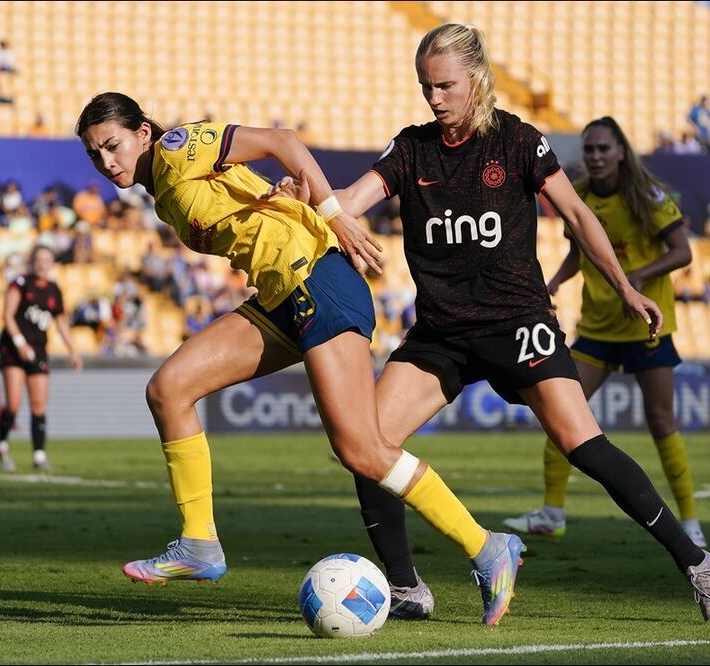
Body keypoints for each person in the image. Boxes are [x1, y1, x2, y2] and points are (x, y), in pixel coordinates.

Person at [320, 24, 710, 625]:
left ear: (476, 80)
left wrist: (624, 286)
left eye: (445, 86)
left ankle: (698, 563)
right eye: (425, 87)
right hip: (442, 332)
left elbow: (576, 214)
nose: (434, 99)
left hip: (518, 321)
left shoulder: (517, 140)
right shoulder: (410, 149)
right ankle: (407, 586)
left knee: (582, 445)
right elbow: (352, 199)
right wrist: (313, 200)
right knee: (365, 445)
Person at [76, 91, 525, 626]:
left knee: (362, 449)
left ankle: (488, 547)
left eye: (113, 146)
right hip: (280, 296)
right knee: (168, 388)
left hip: (319, 281)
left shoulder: (175, 148)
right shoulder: (164, 189)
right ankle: (199, 544)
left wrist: (335, 214)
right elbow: (255, 202)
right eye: (95, 155)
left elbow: (282, 142)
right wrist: (285, 197)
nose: (107, 163)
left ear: (143, 132)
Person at [501, 116, 709, 550]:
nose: (595, 157)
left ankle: (690, 522)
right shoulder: (578, 196)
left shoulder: (645, 196)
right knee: (560, 412)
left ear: (620, 152)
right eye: (589, 149)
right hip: (597, 326)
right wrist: (556, 281)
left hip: (646, 325)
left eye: (603, 149)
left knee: (660, 420)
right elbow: (581, 253)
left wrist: (631, 279)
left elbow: (682, 251)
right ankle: (551, 513)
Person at [0, 245, 82, 473]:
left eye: (47, 259)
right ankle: (2, 443)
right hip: (13, 349)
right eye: (39, 259)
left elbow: (61, 321)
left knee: (39, 405)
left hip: (39, 350)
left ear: (52, 263)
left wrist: (72, 350)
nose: (42, 263)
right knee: (13, 404)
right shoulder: (20, 284)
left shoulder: (53, 289)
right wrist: (20, 343)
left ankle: (39, 455)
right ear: (32, 261)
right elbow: (7, 316)